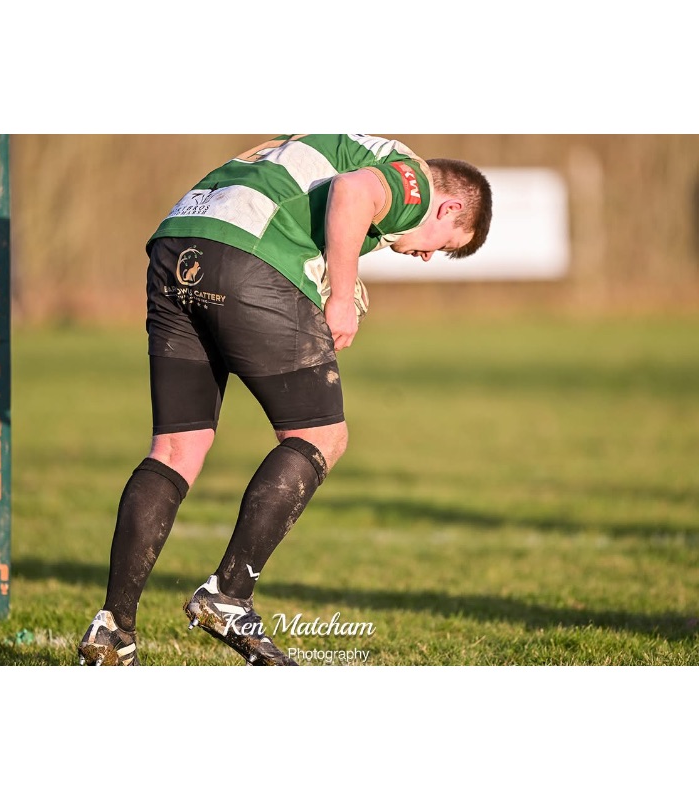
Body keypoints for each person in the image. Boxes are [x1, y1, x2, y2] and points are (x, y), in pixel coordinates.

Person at [77, 134, 492, 666]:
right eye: (445, 244)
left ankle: (113, 627)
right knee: (322, 436)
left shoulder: (349, 145)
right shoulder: (415, 182)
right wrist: (341, 293)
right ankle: (229, 596)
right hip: (246, 253)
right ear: (449, 207)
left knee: (177, 448)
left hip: (177, 246)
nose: (429, 256)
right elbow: (352, 192)